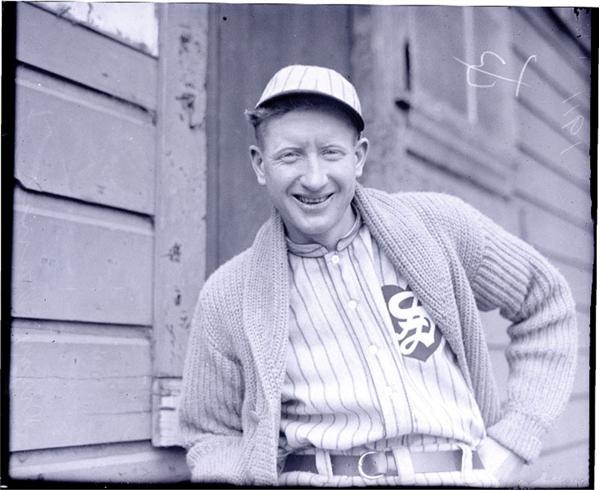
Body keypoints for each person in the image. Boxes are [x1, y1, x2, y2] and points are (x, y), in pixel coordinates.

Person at [178, 64, 577, 486]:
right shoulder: (229, 292)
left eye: (331, 152)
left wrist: (514, 441)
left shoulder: (436, 226)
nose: (314, 179)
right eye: (290, 155)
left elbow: (545, 300)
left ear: (359, 157)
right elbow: (212, 435)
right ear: (260, 165)